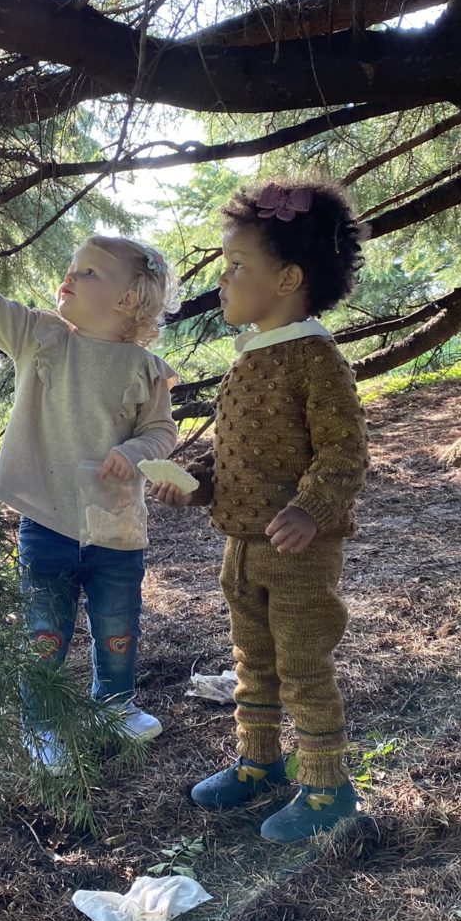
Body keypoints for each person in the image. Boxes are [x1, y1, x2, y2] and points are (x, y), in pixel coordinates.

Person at [0, 218, 180, 772]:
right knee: (44, 630)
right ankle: (42, 721)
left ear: (127, 299)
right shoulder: (43, 337)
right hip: (47, 517)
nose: (69, 275)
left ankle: (116, 704)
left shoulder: (144, 368)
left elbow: (162, 432)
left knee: (118, 622)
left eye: (88, 271)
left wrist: (134, 452)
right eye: (71, 266)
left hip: (116, 523)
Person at [151, 178, 368, 842]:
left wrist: (310, 509)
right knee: (253, 663)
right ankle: (258, 762)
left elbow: (342, 452)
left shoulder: (316, 360)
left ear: (288, 278)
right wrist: (196, 485)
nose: (223, 280)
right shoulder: (246, 360)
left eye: (238, 266)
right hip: (240, 548)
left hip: (298, 554)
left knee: (302, 667)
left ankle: (327, 784)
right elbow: (237, 456)